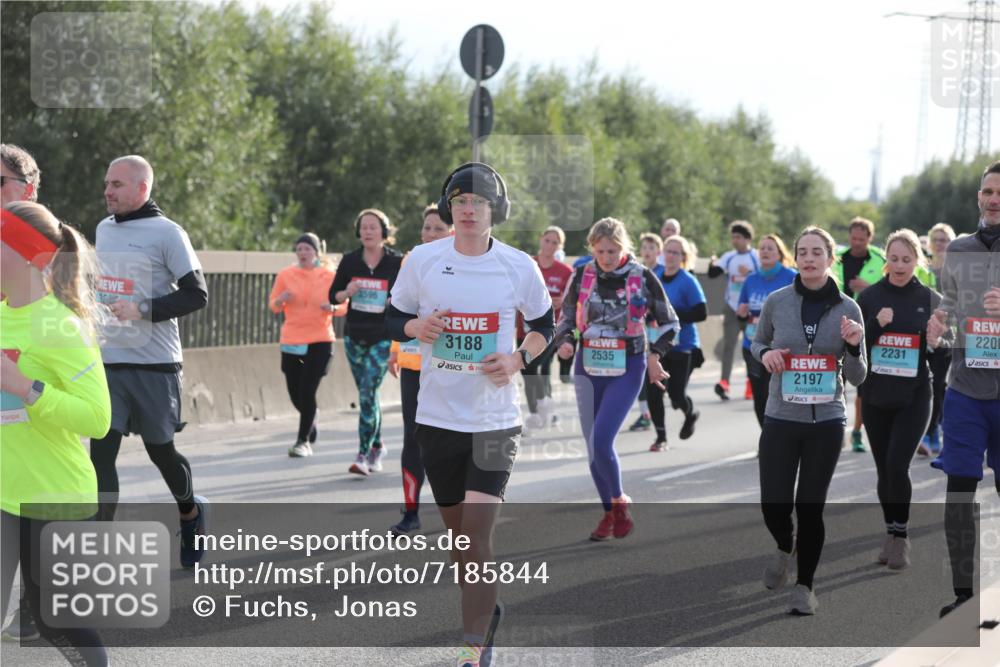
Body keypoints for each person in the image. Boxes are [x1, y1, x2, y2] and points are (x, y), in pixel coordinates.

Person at [387, 163, 553, 667]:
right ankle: (487, 610)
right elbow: (392, 318)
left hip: (495, 421)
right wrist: (416, 325)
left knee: (477, 537)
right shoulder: (422, 260)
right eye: (459, 201)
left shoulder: (518, 265)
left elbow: (546, 324)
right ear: (447, 207)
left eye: (477, 203)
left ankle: (472, 646)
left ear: (493, 211)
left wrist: (518, 359)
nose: (466, 210)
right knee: (461, 541)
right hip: (437, 419)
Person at [1, 202, 111, 665]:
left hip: (54, 493)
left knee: (54, 618)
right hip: (4, 493)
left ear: (29, 256)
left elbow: (98, 419)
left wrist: (26, 388)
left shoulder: (60, 327)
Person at [88, 155, 209, 569]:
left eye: (117, 184)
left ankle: (190, 513)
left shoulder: (168, 233)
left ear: (142, 188)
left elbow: (197, 294)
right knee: (101, 454)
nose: (108, 191)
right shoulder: (102, 230)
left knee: (162, 453)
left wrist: (142, 308)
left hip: (156, 362)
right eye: (107, 183)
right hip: (109, 360)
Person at [752, 226, 866, 615]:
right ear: (795, 257)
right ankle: (785, 545)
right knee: (773, 505)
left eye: (817, 252)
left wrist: (852, 346)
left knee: (810, 506)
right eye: (803, 251)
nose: (809, 258)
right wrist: (766, 353)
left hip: (826, 420)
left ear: (830, 259)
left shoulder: (850, 309)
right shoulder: (776, 301)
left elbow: (857, 376)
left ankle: (806, 586)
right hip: (782, 415)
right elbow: (756, 341)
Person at [555, 218, 678, 539]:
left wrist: (655, 355)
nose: (607, 257)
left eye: (613, 250)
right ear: (591, 249)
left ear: (625, 248)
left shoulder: (643, 276)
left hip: (627, 365)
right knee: (592, 447)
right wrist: (565, 341)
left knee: (601, 439)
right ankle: (609, 514)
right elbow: (566, 315)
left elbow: (669, 324)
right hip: (588, 365)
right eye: (600, 251)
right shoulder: (582, 274)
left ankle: (620, 501)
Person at [927, 160, 1000, 618]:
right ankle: (964, 596)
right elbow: (950, 308)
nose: (994, 199)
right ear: (978, 196)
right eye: (988, 191)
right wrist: (940, 325)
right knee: (960, 490)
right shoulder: (957, 249)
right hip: (966, 389)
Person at [858, 229, 945, 570]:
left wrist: (937, 343)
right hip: (876, 394)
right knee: (883, 470)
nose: (899, 265)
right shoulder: (869, 299)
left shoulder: (931, 299)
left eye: (907, 259)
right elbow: (854, 351)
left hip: (914, 395)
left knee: (898, 465)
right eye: (893, 259)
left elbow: (943, 359)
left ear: (917, 262)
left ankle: (901, 535)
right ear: (885, 261)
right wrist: (875, 327)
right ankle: (890, 532)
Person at [386, 203, 453, 535]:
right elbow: (400, 310)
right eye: (426, 228)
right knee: (413, 436)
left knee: (452, 436)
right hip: (415, 362)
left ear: (452, 232)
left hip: (453, 363)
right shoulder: (410, 261)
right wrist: (394, 350)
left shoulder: (466, 264)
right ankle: (410, 511)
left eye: (438, 229)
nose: (430, 234)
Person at [0, 143, 41, 643]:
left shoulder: (51, 245)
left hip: (31, 396)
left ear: (25, 189)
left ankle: (36, 602)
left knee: (30, 499)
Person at [330, 209, 403, 476]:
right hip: (354, 336)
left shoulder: (397, 262)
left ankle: (362, 453)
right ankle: (378, 445)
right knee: (368, 395)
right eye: (363, 227)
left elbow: (408, 293)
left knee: (367, 391)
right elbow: (333, 296)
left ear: (384, 231)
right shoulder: (349, 261)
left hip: (382, 336)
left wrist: (395, 300)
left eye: (373, 227)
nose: (368, 231)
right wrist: (346, 292)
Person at [268, 232, 346, 457]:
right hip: (292, 339)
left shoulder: (329, 276)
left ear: (316, 252)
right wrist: (281, 300)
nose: (303, 253)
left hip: (320, 338)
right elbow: (273, 305)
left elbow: (344, 306)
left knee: (307, 389)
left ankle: (302, 442)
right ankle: (311, 416)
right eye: (299, 249)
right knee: (295, 392)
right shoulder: (286, 275)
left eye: (307, 249)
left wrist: (332, 308)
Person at [648, 235, 706, 451]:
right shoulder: (655, 276)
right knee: (654, 390)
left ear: (683, 257)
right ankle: (661, 437)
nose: (671, 256)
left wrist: (672, 314)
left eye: (676, 252)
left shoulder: (688, 281)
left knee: (676, 394)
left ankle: (690, 413)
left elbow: (701, 312)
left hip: (683, 345)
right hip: (657, 344)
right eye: (668, 251)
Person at [833, 216, 884, 453]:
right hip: (835, 323)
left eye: (861, 240)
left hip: (867, 327)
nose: (856, 243)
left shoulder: (879, 259)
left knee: (862, 384)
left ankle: (856, 432)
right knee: (835, 381)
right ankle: (835, 426)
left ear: (869, 239)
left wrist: (867, 287)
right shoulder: (836, 257)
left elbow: (890, 288)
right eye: (853, 238)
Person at [737, 234, 796, 429]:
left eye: (770, 248)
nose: (765, 252)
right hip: (753, 346)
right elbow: (742, 312)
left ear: (779, 254)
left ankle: (782, 435)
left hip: (781, 348)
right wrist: (742, 313)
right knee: (759, 395)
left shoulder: (791, 277)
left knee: (778, 394)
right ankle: (767, 437)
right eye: (762, 248)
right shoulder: (751, 279)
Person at [518, 226, 572, 434]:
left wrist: (562, 301)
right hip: (524, 327)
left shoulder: (565, 271)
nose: (549, 245)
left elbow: (573, 300)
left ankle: (539, 407)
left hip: (551, 329)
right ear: (541, 240)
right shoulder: (528, 265)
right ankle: (540, 408)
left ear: (560, 246)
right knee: (527, 368)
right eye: (547, 240)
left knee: (533, 365)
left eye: (555, 242)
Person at [708, 220, 759, 401]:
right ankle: (724, 383)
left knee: (752, 348)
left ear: (747, 239)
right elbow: (713, 273)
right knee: (728, 346)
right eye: (733, 237)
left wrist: (750, 274)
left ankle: (751, 384)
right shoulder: (729, 257)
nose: (734, 241)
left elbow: (765, 278)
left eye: (738, 237)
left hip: (753, 309)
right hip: (731, 307)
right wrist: (712, 263)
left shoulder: (757, 257)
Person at [920, 222, 957, 455]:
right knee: (928, 381)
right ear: (930, 243)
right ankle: (929, 429)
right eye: (937, 239)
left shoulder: (958, 269)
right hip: (924, 330)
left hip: (949, 332)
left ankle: (934, 431)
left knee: (940, 383)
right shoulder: (922, 270)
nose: (940, 243)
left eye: (945, 239)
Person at [627, 233, 665, 432]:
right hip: (641, 330)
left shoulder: (662, 273)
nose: (648, 251)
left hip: (659, 332)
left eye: (652, 248)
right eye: (645, 248)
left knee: (655, 376)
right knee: (640, 373)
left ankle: (657, 406)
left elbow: (666, 305)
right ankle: (645, 413)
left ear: (659, 252)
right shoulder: (636, 272)